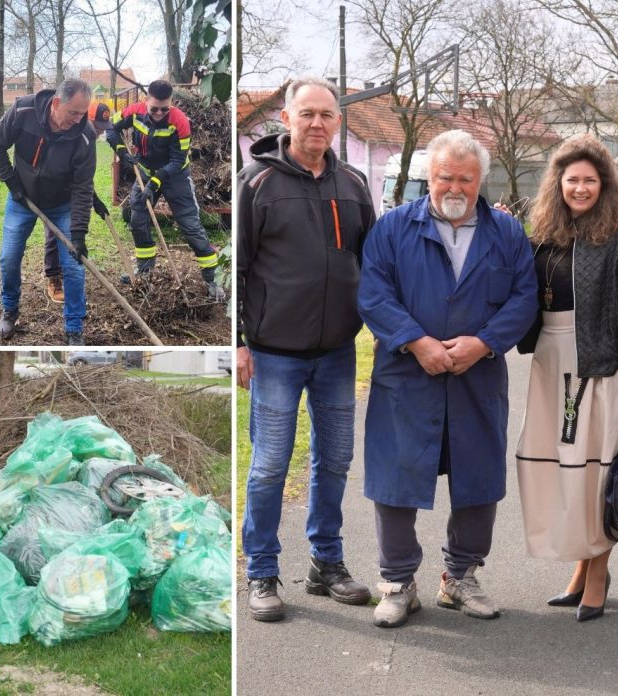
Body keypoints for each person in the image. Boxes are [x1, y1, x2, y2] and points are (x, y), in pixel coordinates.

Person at [358, 129, 537, 629]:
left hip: (476, 376)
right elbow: (373, 293)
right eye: (444, 177)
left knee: (479, 480)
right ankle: (397, 583)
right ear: (427, 177)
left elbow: (524, 297)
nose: (454, 187)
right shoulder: (393, 228)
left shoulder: (507, 234)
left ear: (481, 180)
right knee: (395, 480)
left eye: (466, 178)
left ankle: (460, 577)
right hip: (406, 374)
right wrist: (418, 341)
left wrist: (484, 342)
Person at [236, 75, 376, 622]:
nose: (317, 123)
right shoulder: (258, 182)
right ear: (287, 119)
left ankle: (326, 563)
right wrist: (239, 345)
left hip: (338, 351)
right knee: (270, 465)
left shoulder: (355, 183)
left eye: (327, 114)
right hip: (273, 352)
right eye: (307, 113)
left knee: (335, 459)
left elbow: (377, 262)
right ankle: (263, 572)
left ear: (338, 122)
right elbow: (239, 268)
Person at [514, 133, 618, 622]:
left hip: (601, 368)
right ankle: (580, 570)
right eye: (571, 179)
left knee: (597, 474)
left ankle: (597, 574)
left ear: (604, 185)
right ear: (558, 183)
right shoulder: (544, 235)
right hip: (551, 362)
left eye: (589, 180)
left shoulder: (617, 237)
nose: (580, 188)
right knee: (564, 472)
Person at [0, 78, 96, 346]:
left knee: (73, 266)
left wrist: (79, 233)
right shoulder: (23, 111)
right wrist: (12, 182)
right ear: (57, 103)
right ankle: (10, 309)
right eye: (74, 112)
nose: (78, 119)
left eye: (83, 113)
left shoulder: (84, 135)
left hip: (63, 204)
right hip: (22, 200)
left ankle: (73, 327)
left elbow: (83, 187)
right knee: (8, 258)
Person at [106, 79, 224, 300]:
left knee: (189, 224)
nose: (159, 113)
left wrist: (154, 183)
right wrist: (123, 152)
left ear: (171, 103)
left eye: (164, 109)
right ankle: (145, 272)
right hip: (145, 169)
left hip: (174, 175)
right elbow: (111, 129)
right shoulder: (134, 111)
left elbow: (178, 160)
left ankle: (212, 279)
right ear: (146, 101)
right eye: (154, 109)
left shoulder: (180, 121)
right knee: (138, 219)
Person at [42, 101, 113, 304]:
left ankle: (67, 273)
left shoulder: (87, 141)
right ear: (84, 119)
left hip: (71, 194)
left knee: (72, 234)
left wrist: (95, 200)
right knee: (54, 234)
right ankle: (53, 277)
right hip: (51, 193)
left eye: (102, 128)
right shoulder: (68, 136)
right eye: (97, 127)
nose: (100, 132)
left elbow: (81, 179)